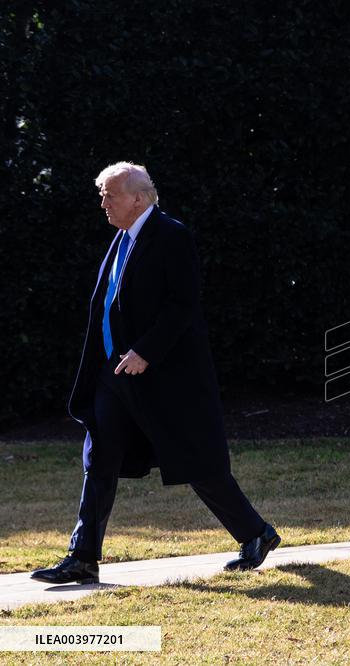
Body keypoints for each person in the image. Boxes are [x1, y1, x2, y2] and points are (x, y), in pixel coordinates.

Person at [30, 162, 280, 585]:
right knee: (100, 458)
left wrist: (146, 351)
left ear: (139, 198)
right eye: (102, 195)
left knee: (195, 460)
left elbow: (183, 304)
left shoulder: (172, 236)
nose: (103, 202)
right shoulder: (120, 239)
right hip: (115, 374)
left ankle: (256, 533)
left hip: (161, 376)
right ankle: (82, 557)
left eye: (110, 195)